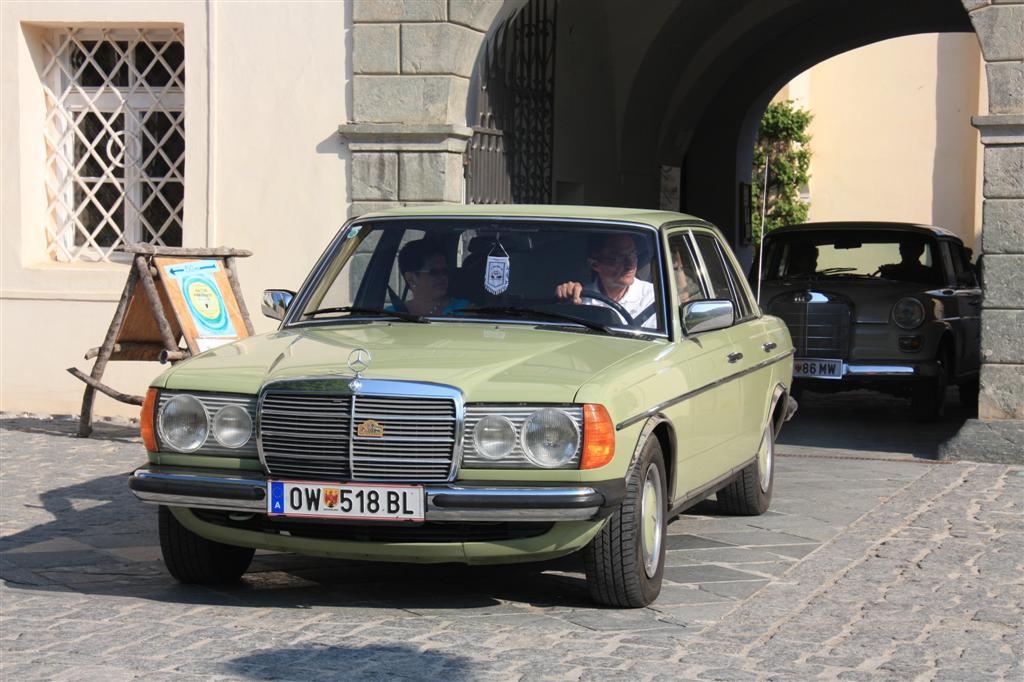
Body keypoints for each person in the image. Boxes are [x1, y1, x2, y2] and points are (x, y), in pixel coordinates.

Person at [555, 233, 657, 328]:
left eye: (632, 253)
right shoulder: (581, 300)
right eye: (618, 257)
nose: (630, 264)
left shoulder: (655, 298)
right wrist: (566, 303)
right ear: (594, 264)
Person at [393, 239, 470, 316]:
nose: (443, 277)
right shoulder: (390, 315)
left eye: (445, 271)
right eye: (434, 272)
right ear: (411, 278)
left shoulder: (466, 311)